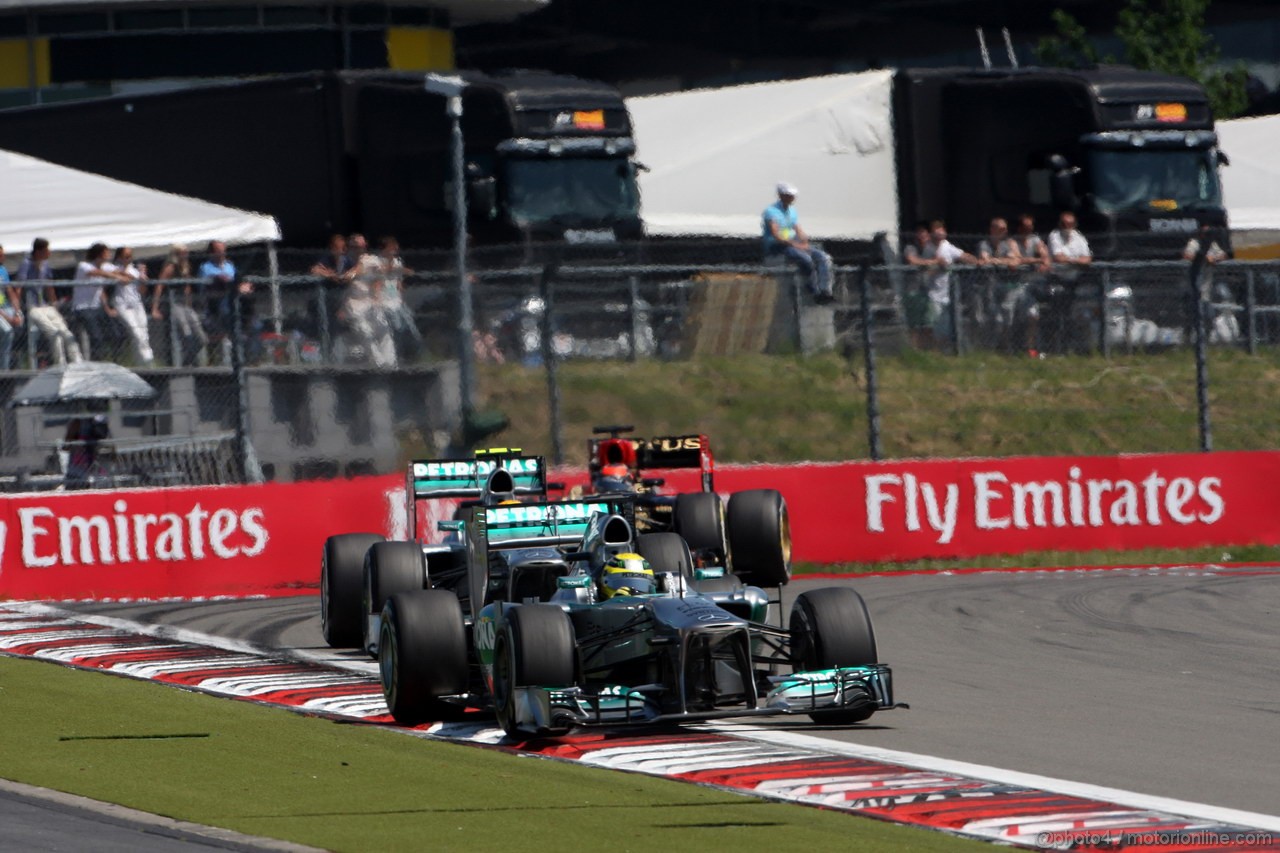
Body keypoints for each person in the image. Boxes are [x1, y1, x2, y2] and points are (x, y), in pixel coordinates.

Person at [762, 182, 835, 304]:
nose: (792, 198)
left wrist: (804, 241)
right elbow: (776, 234)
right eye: (788, 195)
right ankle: (814, 289)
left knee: (824, 258)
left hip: (793, 242)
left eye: (793, 196)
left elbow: (797, 228)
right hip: (779, 245)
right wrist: (795, 244)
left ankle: (825, 290)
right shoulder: (771, 211)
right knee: (806, 260)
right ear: (781, 195)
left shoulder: (792, 211)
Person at [14, 238, 82, 366]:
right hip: (32, 306)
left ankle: (78, 361)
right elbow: (18, 287)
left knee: (65, 332)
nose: (49, 253)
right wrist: (18, 310)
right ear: (39, 251)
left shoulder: (45, 265)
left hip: (45, 305)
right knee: (53, 333)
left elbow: (49, 286)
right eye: (46, 250)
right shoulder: (26, 264)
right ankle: (60, 364)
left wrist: (54, 303)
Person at [337, 244, 396, 368]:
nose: (360, 250)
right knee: (365, 331)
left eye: (362, 247)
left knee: (384, 331)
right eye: (356, 247)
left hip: (373, 304)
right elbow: (343, 278)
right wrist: (357, 271)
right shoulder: (344, 262)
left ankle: (391, 365)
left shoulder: (370, 259)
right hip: (355, 308)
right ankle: (379, 364)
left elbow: (382, 272)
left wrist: (377, 290)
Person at [1045, 211, 1093, 353]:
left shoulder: (1079, 238)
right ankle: (1054, 346)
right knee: (1057, 313)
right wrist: (1077, 261)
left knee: (1074, 313)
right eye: (1064, 224)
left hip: (1074, 281)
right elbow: (1059, 258)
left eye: (1070, 224)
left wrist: (1070, 261)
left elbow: (1088, 259)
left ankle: (1073, 346)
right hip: (1057, 280)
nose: (1067, 227)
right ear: (1060, 224)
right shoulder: (1054, 236)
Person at [71, 243, 129, 360]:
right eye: (106, 252)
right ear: (99, 254)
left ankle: (115, 360)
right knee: (96, 337)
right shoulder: (84, 266)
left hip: (97, 307)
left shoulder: (106, 266)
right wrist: (116, 277)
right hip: (83, 307)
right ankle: (96, 362)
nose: (109, 254)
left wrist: (130, 276)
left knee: (118, 333)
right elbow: (96, 273)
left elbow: (118, 273)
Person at [1182, 224, 1238, 343]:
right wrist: (1201, 258)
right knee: (1191, 318)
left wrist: (1213, 258)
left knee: (1208, 316)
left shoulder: (1212, 245)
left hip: (1205, 291)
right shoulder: (1194, 243)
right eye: (1206, 234)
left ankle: (1204, 341)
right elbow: (1187, 255)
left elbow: (1223, 255)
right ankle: (1187, 340)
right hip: (1192, 289)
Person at [156, 244, 209, 366]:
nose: (186, 255)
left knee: (201, 338)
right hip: (174, 303)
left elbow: (187, 287)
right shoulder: (170, 268)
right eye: (183, 252)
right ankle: (190, 364)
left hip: (185, 305)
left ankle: (189, 359)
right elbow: (159, 286)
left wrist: (189, 302)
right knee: (186, 334)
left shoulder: (185, 267)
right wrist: (155, 307)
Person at [975, 217, 1022, 349]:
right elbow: (985, 258)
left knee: (1006, 317)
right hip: (987, 287)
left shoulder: (1006, 244)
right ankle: (987, 346)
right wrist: (1003, 261)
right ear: (992, 230)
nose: (1004, 232)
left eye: (1005, 229)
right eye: (1001, 229)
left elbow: (1014, 260)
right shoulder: (984, 244)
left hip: (1005, 285)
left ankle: (1005, 346)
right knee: (991, 318)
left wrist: (997, 261)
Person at [375, 236, 422, 358]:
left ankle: (415, 354)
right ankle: (397, 355)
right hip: (384, 302)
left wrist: (401, 292)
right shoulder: (377, 261)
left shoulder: (397, 262)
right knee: (396, 328)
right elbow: (381, 274)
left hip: (396, 300)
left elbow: (403, 278)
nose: (394, 250)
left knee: (410, 326)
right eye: (391, 247)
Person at [108, 247, 154, 365]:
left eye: (130, 256)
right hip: (122, 304)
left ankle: (140, 362)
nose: (129, 259)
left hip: (136, 303)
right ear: (119, 257)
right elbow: (121, 280)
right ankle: (148, 359)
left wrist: (143, 278)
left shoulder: (135, 271)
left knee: (143, 329)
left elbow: (142, 291)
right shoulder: (114, 269)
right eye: (126, 257)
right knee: (135, 331)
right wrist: (129, 276)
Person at [63, 414, 110, 489]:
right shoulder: (77, 422)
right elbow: (66, 447)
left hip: (92, 469)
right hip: (77, 471)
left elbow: (105, 444)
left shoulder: (100, 420)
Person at [0, 244, 19, 370]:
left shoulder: (3, 270)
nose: (2, 257)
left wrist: (17, 312)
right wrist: (8, 318)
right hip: (1, 312)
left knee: (21, 324)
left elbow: (10, 292)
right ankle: (4, 370)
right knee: (7, 330)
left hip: (5, 307)